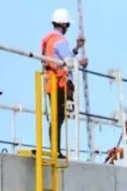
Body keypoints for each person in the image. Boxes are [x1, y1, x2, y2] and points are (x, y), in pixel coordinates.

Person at [41, 8, 88, 158]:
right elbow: (68, 63)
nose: (68, 28)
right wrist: (80, 62)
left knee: (57, 117)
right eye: (67, 25)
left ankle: (55, 149)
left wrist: (76, 48)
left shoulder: (49, 40)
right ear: (63, 24)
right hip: (58, 83)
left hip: (50, 82)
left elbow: (64, 58)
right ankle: (56, 150)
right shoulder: (60, 40)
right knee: (58, 117)